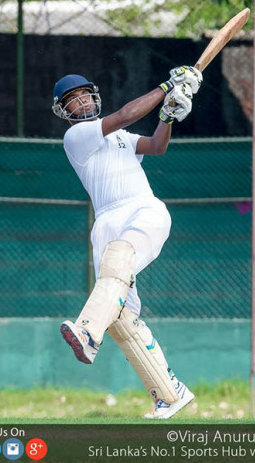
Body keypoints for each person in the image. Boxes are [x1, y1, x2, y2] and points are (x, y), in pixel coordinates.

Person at [53, 66, 200, 419]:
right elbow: (125, 114)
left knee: (119, 261)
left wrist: (168, 115)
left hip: (143, 209)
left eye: (85, 94)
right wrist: (168, 86)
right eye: (73, 100)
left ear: (95, 96)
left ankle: (88, 334)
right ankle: (170, 393)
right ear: (64, 111)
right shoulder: (77, 138)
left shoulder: (121, 137)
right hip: (106, 222)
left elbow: (155, 146)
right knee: (121, 318)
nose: (82, 101)